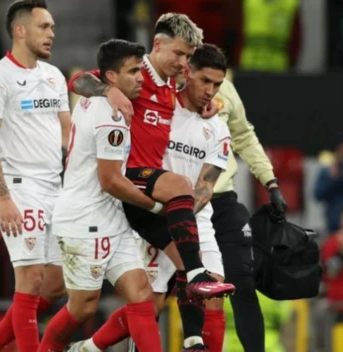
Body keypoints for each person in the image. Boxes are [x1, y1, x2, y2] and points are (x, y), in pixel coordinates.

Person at [77, 44, 232, 352]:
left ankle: (194, 341)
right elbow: (80, 81)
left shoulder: (217, 128)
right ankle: (89, 347)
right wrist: (109, 90)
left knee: (212, 296)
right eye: (204, 81)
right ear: (188, 73)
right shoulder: (158, 104)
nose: (209, 90)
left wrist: (179, 220)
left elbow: (204, 188)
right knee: (150, 306)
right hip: (151, 210)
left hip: (190, 218)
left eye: (217, 85)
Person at [37, 38, 163, 352]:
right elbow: (109, 181)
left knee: (141, 295)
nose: (139, 78)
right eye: (133, 71)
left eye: (140, 70)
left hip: (110, 216)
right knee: (82, 308)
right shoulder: (111, 115)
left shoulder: (97, 93)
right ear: (110, 77)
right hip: (85, 219)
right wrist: (155, 206)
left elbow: (80, 79)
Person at [0, 1, 71, 352]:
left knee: (57, 284)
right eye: (44, 27)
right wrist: (5, 198)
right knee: (31, 279)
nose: (52, 34)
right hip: (19, 187)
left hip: (56, 188)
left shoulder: (54, 76)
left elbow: (66, 133)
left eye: (53, 27)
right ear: (20, 30)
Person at [205, 60, 288, 351]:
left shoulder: (225, 89)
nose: (212, 88)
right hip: (176, 204)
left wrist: (271, 182)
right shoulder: (166, 88)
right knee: (153, 292)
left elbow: (243, 135)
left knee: (242, 282)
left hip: (223, 200)